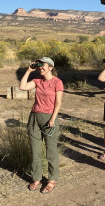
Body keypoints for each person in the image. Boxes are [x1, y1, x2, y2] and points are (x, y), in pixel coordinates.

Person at [19, 56, 63, 193]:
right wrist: (28, 71)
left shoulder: (57, 82)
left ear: (51, 67)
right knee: (35, 150)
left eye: (42, 65)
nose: (40, 68)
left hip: (49, 118)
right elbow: (22, 87)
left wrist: (52, 119)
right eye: (39, 66)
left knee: (51, 151)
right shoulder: (37, 81)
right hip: (34, 118)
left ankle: (52, 180)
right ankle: (36, 178)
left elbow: (58, 103)